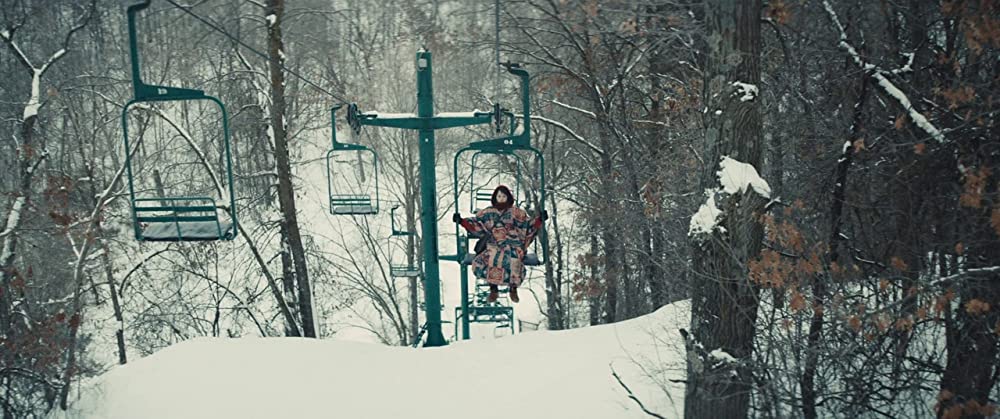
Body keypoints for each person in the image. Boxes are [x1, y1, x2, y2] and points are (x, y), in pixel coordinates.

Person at [453, 185, 547, 303]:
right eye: (499, 196)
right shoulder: (487, 213)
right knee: (492, 257)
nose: (501, 198)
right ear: (495, 197)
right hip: (494, 242)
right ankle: (493, 288)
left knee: (513, 256)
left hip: (513, 242)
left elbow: (527, 226)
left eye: (503, 196)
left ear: (508, 197)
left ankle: (513, 287)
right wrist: (462, 221)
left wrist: (539, 220)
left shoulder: (517, 213)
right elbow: (476, 223)